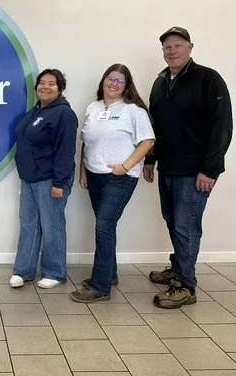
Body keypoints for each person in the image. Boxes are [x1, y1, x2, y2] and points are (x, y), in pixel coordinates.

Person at [143, 26, 233, 309]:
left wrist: (211, 169)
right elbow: (155, 126)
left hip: (195, 172)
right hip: (168, 167)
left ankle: (185, 285)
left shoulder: (208, 79)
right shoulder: (160, 82)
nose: (172, 51)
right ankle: (178, 266)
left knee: (186, 226)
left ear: (190, 48)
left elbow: (222, 126)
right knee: (172, 221)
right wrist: (150, 159)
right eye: (167, 47)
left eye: (178, 45)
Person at [70, 64, 155, 303]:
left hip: (120, 178)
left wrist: (125, 167)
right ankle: (110, 274)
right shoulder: (93, 108)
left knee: (104, 226)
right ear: (103, 81)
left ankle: (100, 287)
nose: (114, 84)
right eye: (111, 78)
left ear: (127, 86)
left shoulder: (133, 111)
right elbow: (87, 142)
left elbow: (148, 141)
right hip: (94, 175)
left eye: (120, 80)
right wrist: (83, 170)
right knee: (106, 226)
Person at [9, 69, 78, 289]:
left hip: (50, 180)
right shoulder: (36, 111)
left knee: (52, 226)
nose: (45, 87)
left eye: (51, 83)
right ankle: (23, 271)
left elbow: (66, 151)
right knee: (28, 224)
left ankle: (55, 272)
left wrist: (59, 182)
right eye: (42, 82)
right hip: (29, 179)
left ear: (60, 89)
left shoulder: (64, 114)